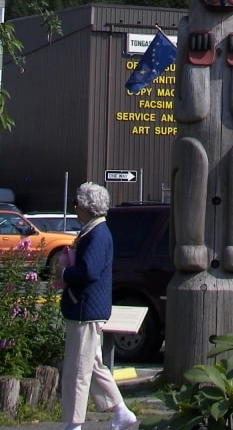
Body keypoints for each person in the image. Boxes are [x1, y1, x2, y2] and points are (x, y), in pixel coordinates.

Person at [58, 182, 137, 430]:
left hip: (86, 309)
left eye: (77, 203)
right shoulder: (94, 230)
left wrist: (65, 273)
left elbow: (89, 272)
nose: (74, 208)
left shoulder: (97, 234)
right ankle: (122, 411)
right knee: (93, 365)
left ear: (87, 207)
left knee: (77, 370)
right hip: (88, 309)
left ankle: (74, 424)